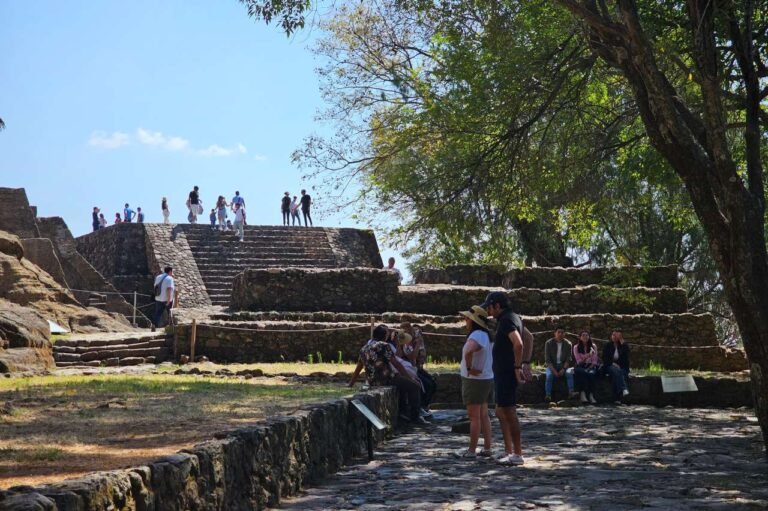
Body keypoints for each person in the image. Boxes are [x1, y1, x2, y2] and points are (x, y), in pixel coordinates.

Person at [348, 324, 427, 424]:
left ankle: (403, 412)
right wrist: (408, 377)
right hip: (386, 378)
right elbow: (396, 363)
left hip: (372, 381)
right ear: (385, 336)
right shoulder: (383, 346)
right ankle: (415, 417)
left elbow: (359, 367)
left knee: (403, 385)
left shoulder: (364, 348)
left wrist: (351, 383)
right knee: (415, 386)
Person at [482, 291, 525, 465]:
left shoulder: (507, 320)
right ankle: (509, 450)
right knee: (500, 410)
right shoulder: (511, 318)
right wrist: (525, 362)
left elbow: (519, 343)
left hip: (507, 372)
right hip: (502, 372)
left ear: (497, 306)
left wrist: (517, 366)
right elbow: (528, 337)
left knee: (509, 411)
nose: (488, 311)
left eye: (490, 307)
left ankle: (518, 453)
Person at [454, 305, 494, 459]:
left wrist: (470, 367)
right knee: (483, 414)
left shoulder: (476, 335)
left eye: (467, 318)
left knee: (474, 417)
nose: (465, 320)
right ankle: (487, 447)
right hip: (485, 378)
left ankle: (471, 450)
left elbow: (469, 350)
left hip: (475, 381)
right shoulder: (486, 335)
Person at [544, 326, 575, 401]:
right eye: (558, 332)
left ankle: (571, 393)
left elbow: (568, 359)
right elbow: (547, 360)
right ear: (555, 333)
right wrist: (554, 371)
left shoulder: (568, 344)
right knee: (549, 376)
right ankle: (548, 395)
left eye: (562, 332)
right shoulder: (549, 343)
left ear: (564, 334)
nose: (560, 334)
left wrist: (563, 369)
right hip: (552, 365)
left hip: (563, 365)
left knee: (569, 373)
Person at [602, 329, 630, 404]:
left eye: (617, 335)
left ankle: (616, 398)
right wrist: (613, 363)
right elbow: (605, 359)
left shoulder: (623, 346)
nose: (614, 337)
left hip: (621, 367)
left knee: (618, 374)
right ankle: (624, 389)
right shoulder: (607, 345)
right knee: (615, 371)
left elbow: (626, 358)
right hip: (609, 366)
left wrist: (623, 344)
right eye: (613, 335)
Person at [573, 331, 599, 404]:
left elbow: (594, 360)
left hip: (591, 365)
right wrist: (588, 355)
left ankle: (591, 394)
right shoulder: (576, 347)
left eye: (587, 335)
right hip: (581, 366)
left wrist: (590, 367)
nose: (585, 337)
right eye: (583, 335)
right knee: (582, 373)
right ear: (580, 337)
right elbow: (578, 361)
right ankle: (582, 393)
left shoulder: (593, 346)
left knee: (591, 374)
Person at [152, 266, 175, 331]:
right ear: (170, 271)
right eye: (172, 271)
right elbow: (169, 289)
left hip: (158, 298)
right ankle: (170, 326)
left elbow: (155, 286)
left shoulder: (158, 277)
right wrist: (168, 300)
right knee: (170, 312)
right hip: (167, 299)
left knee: (158, 313)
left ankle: (154, 324)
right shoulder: (170, 278)